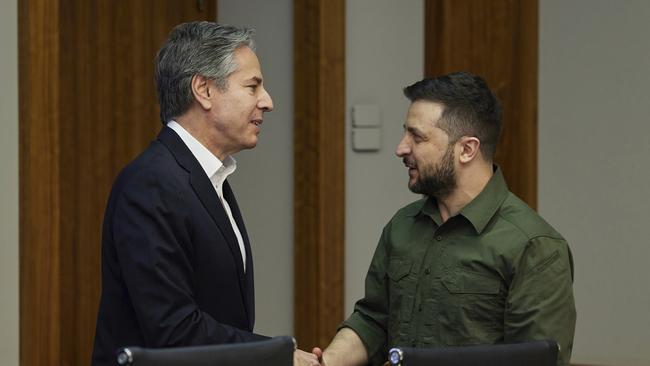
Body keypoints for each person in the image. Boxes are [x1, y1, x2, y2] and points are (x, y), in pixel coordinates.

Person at [91, 22, 318, 366]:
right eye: (253, 86)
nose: (267, 102)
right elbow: (173, 329)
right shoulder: (151, 184)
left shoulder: (207, 177)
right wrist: (279, 356)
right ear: (204, 90)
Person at [313, 72, 576, 366]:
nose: (401, 148)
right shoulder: (402, 226)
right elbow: (374, 320)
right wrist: (326, 363)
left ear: (466, 149)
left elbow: (532, 360)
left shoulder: (534, 246)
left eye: (417, 136)